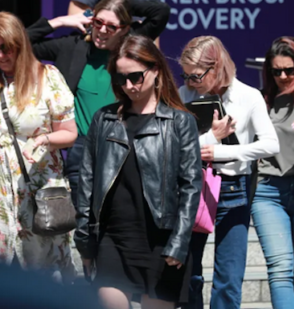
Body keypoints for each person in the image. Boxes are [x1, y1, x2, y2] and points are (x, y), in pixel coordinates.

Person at [74, 34, 202, 309]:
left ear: (155, 70)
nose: (128, 85)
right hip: (113, 239)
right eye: (120, 78)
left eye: (135, 77)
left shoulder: (180, 122)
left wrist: (180, 242)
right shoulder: (104, 119)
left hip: (161, 241)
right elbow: (87, 182)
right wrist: (85, 241)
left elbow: (191, 186)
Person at [26, 0, 170, 207]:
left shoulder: (131, 47)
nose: (102, 30)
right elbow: (20, 44)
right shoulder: (71, 47)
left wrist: (118, 4)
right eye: (98, 22)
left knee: (122, 212)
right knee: (82, 217)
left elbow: (161, 12)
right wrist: (59, 21)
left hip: (126, 142)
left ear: (124, 29)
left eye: (111, 26)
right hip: (82, 147)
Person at [178, 36, 280, 309]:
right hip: (192, 187)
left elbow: (271, 144)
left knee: (229, 278)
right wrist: (210, 138)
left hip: (234, 187)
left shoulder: (248, 96)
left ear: (217, 67)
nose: (191, 82)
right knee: (189, 274)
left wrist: (226, 152)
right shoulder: (184, 94)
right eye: (186, 75)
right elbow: (170, 145)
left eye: (196, 76)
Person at [0, 12, 78, 280]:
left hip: (37, 189)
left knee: (44, 273)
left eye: (5, 48)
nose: (0, 56)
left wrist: (44, 139)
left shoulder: (47, 77)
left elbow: (69, 133)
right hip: (0, 195)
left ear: (20, 44)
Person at [251, 37, 294, 309]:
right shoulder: (262, 101)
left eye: (289, 70)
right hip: (267, 192)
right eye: (276, 71)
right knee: (280, 267)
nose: (283, 76)